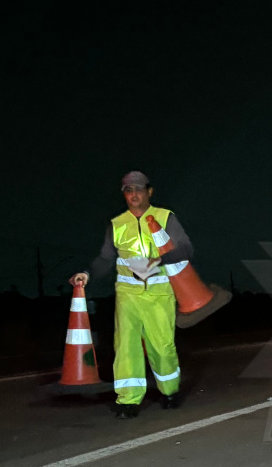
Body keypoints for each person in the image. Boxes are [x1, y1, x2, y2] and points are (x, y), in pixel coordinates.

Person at [69, 171, 193, 418]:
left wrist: (160, 259)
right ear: (123, 194)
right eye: (128, 190)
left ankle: (169, 391)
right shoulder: (117, 223)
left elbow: (186, 249)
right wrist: (87, 274)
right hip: (128, 295)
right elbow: (106, 259)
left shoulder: (165, 217)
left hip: (159, 294)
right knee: (126, 348)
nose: (133, 195)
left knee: (162, 347)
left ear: (149, 191)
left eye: (138, 189)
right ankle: (128, 400)